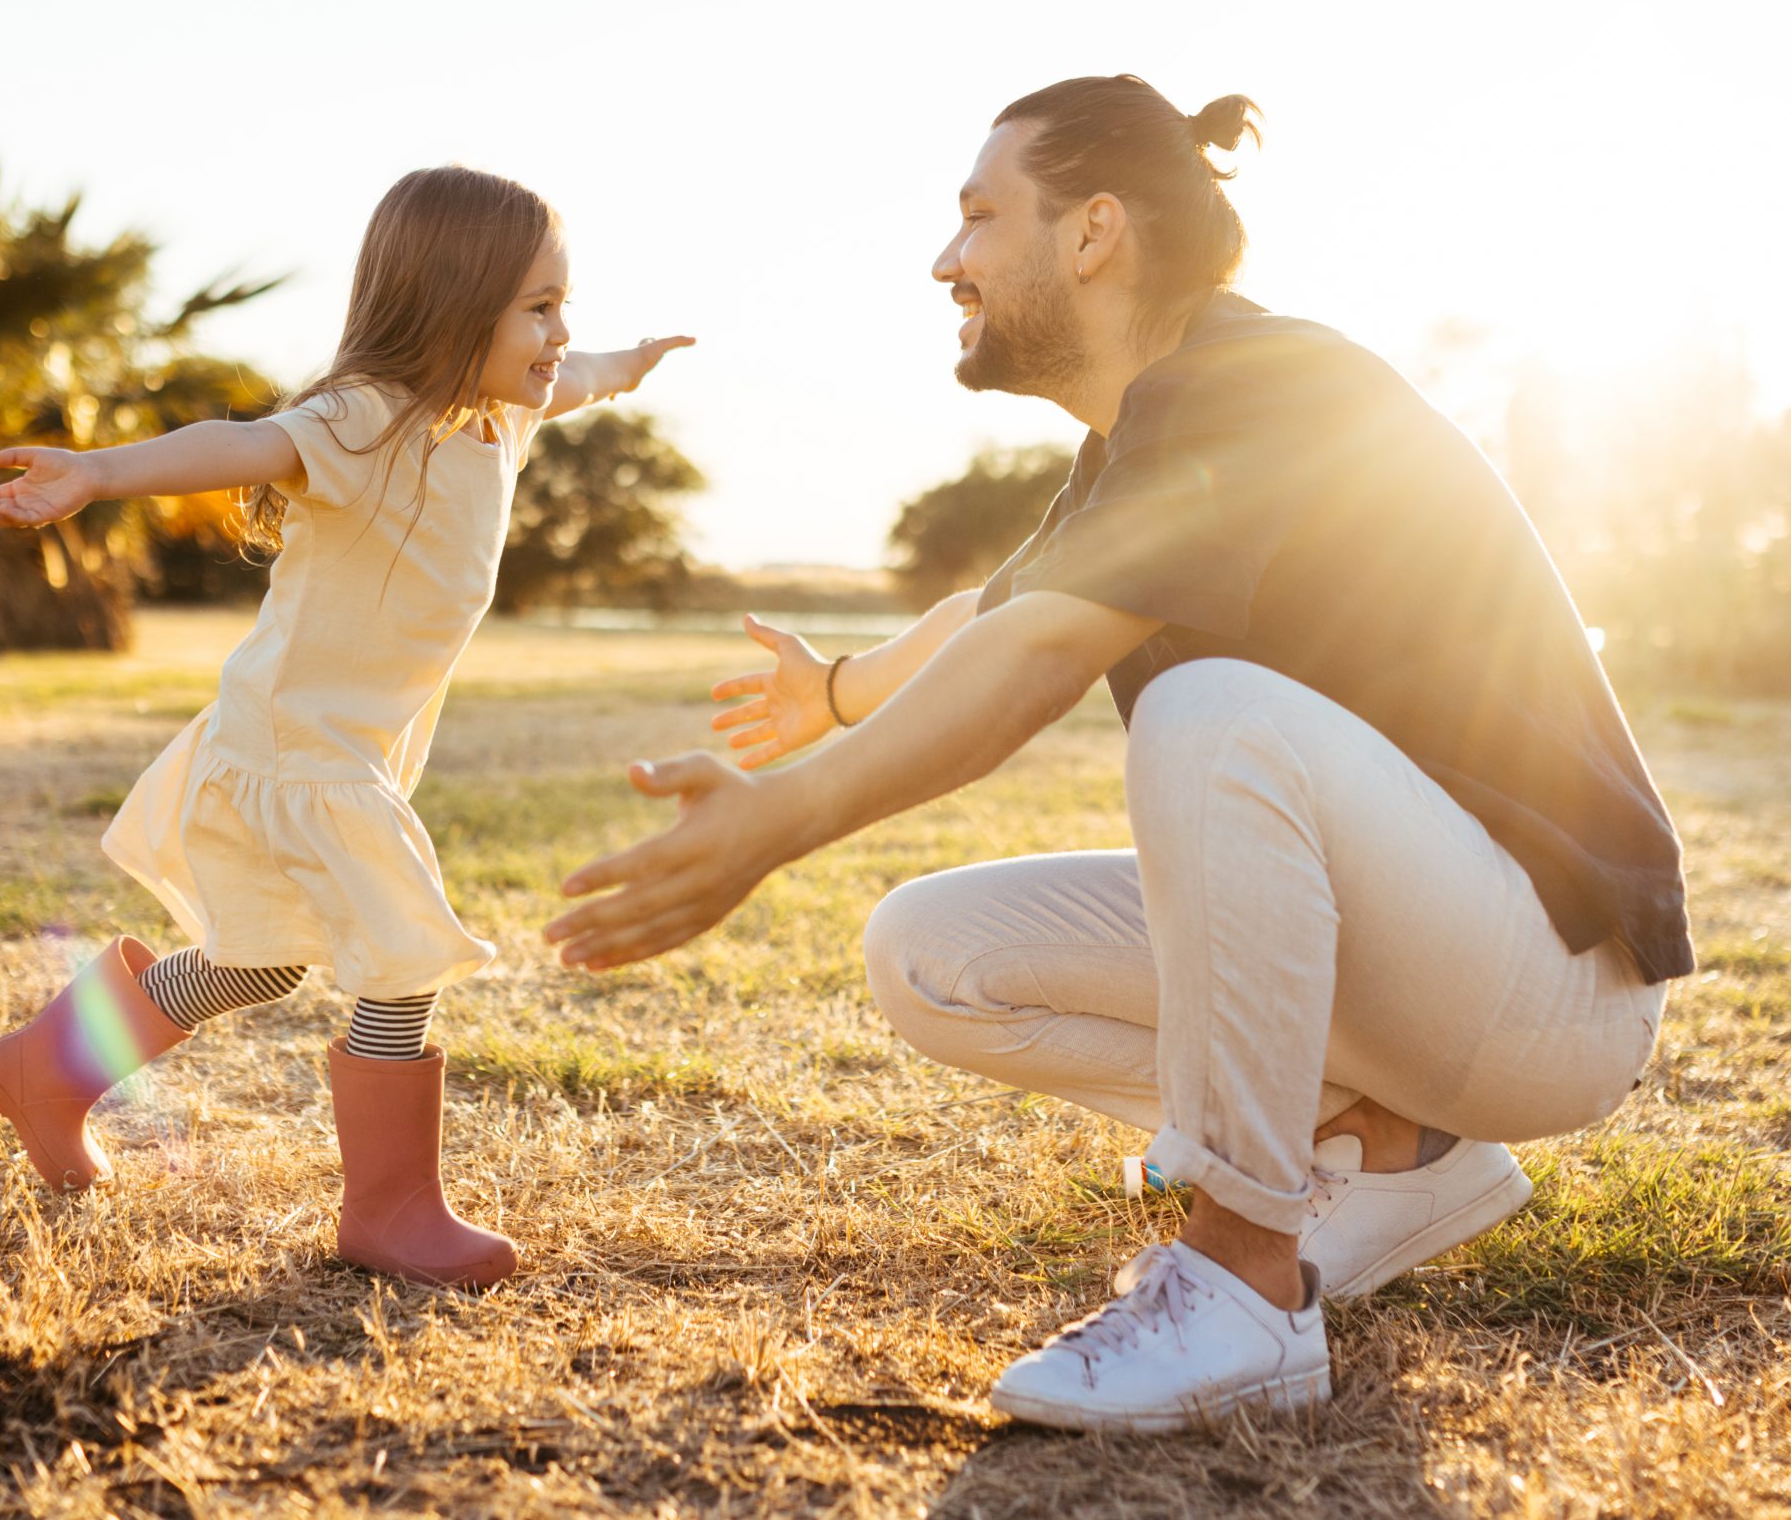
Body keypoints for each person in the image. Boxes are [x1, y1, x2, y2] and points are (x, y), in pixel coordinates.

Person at [546, 76, 1686, 1429]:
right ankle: (1396, 1153)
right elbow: (993, 611)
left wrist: (776, 821)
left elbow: (1032, 659)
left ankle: (1245, 1281)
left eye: (978, 218)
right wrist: (837, 692)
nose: (944, 260)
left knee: (1213, 714)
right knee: (930, 953)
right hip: (1428, 974)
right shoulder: (1145, 437)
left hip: (1550, 983)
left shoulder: (1268, 384)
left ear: (1094, 232)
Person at [0, 164, 692, 1287]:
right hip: (296, 746)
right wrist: (100, 473)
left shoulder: (503, 412)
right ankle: (389, 1210)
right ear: (452, 304)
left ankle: (46, 1069)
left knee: (259, 963)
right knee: (401, 945)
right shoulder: (365, 419)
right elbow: (242, 444)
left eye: (564, 303)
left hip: (336, 746)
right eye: (536, 307)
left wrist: (628, 366)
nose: (559, 332)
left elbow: (579, 377)